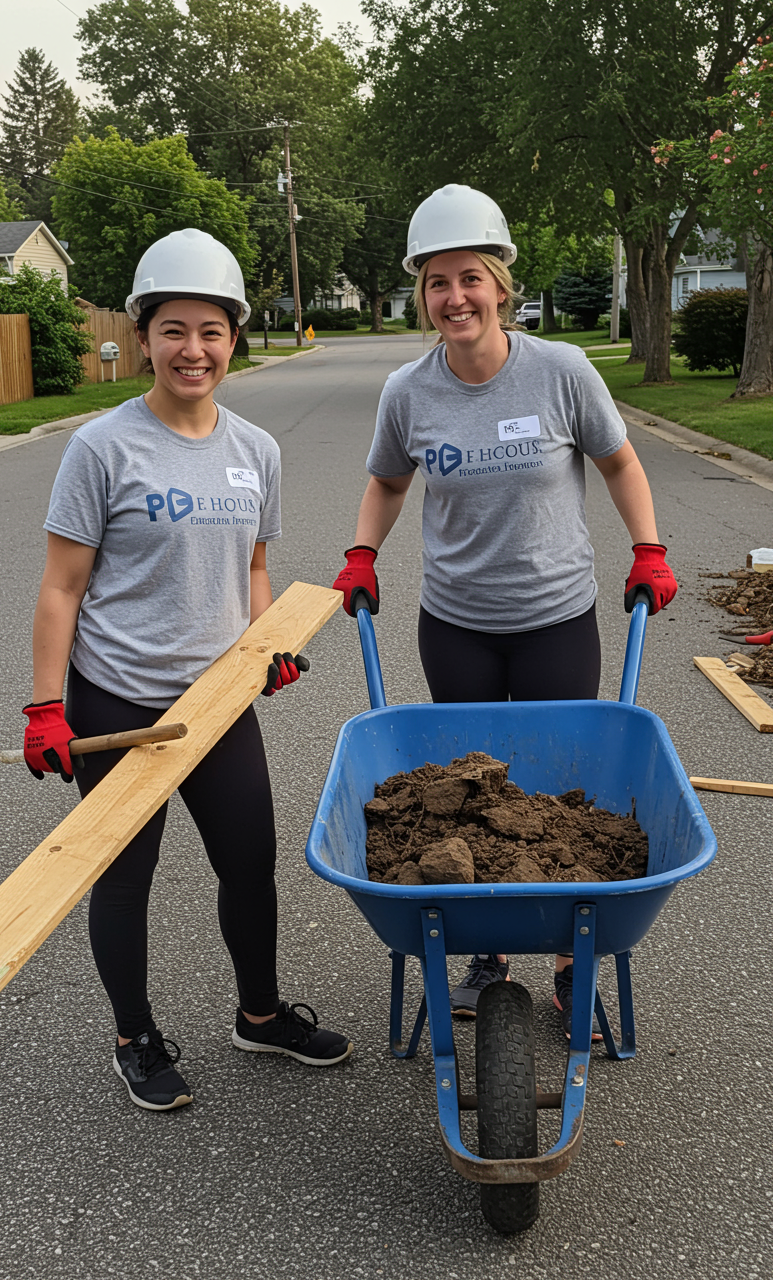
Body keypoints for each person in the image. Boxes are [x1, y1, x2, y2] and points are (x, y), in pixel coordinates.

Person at [332, 185, 676, 1038]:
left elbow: (620, 462)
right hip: (455, 623)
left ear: (500, 284)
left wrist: (649, 547)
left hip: (557, 617)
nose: (456, 297)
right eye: (438, 283)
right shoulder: (409, 392)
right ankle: (483, 949)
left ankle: (568, 962)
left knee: (567, 799)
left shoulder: (560, 370)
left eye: (471, 278)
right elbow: (386, 480)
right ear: (423, 294)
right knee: (468, 795)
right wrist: (364, 551)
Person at [23, 228, 350, 1111]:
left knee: (250, 861)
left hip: (215, 701)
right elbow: (62, 585)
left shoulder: (257, 452)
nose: (193, 350)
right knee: (123, 877)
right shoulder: (101, 448)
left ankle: (260, 1014)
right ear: (143, 336)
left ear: (234, 337)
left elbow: (251, 567)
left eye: (211, 331)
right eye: (173, 330)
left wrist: (264, 646)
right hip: (115, 697)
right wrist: (47, 708)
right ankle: (134, 1036)